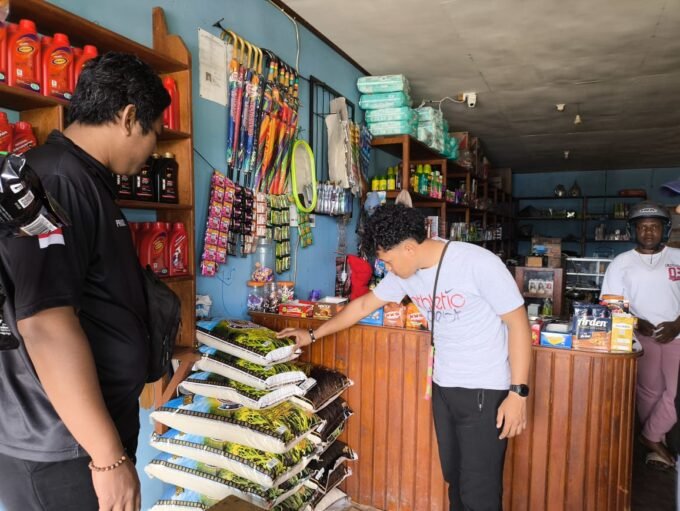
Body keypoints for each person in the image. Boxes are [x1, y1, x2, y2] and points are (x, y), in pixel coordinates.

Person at [278, 203, 532, 510]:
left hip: (484, 389)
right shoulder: (405, 272)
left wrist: (518, 393)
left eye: (387, 261)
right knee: (455, 481)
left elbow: (518, 325)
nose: (387, 268)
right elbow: (362, 306)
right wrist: (312, 335)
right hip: (444, 387)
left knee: (480, 491)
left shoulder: (478, 263)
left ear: (409, 248)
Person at [0, 52, 170, 511]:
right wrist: (108, 460)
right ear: (129, 118)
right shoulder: (56, 180)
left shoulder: (81, 178)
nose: (152, 150)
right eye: (155, 132)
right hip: (63, 447)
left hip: (84, 440)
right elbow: (45, 325)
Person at [600, 200, 680, 471]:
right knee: (648, 392)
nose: (648, 232)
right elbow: (610, 304)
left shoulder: (678, 257)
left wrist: (678, 324)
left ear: (665, 229)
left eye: (654, 227)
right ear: (632, 230)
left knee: (675, 393)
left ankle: (650, 436)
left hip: (677, 337)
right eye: (642, 227)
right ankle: (657, 447)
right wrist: (635, 321)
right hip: (640, 337)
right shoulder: (621, 263)